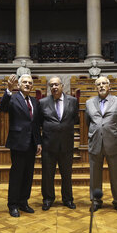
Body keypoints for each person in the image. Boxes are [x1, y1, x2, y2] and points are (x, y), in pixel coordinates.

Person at [0, 74, 42, 217]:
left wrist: (38, 142)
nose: (27, 84)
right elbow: (3, 108)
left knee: (28, 175)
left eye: (30, 83)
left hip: (31, 143)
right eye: (24, 82)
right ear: (19, 85)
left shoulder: (34, 101)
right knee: (17, 175)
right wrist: (8, 90)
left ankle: (24, 201)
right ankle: (13, 204)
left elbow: (35, 124)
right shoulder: (13, 98)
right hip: (18, 142)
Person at [86, 76, 117, 213]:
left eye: (104, 83)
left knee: (116, 175)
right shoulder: (89, 103)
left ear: (109, 86)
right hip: (95, 142)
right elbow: (88, 122)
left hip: (113, 143)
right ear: (95, 87)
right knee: (95, 176)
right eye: (98, 84)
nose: (101, 86)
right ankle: (96, 201)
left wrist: (111, 132)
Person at [40, 76, 79, 210]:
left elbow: (75, 119)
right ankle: (48, 199)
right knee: (47, 175)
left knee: (66, 174)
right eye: (51, 85)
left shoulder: (73, 101)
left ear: (62, 86)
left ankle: (68, 199)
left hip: (66, 144)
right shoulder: (43, 102)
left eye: (56, 84)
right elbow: (39, 123)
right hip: (48, 144)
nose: (54, 87)